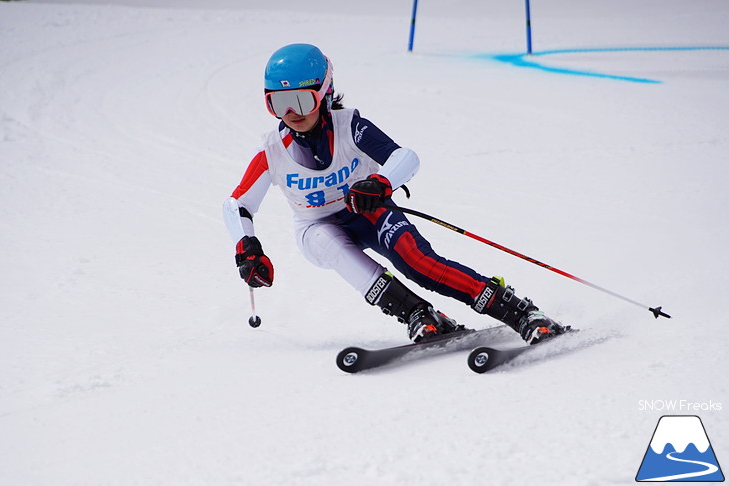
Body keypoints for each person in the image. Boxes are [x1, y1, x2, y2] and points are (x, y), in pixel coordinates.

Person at [223, 43, 568, 344]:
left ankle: (520, 312)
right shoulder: (271, 151)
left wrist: (381, 182)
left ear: (325, 93)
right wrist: (246, 247)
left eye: (300, 100)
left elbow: (404, 157)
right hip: (317, 227)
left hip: (368, 209)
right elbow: (237, 203)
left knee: (419, 264)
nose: (291, 114)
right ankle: (419, 315)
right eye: (278, 103)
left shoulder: (349, 126)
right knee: (338, 252)